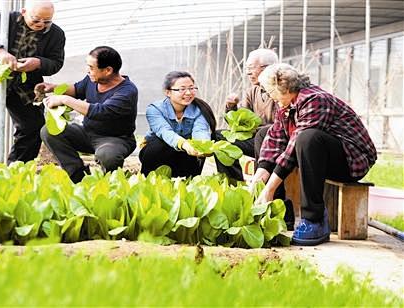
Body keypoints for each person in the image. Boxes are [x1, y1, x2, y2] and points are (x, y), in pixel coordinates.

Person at [254, 63, 377, 246]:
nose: (270, 97)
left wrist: (269, 187)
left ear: (284, 88)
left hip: (352, 160)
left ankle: (314, 219)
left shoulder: (315, 100)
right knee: (264, 133)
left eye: (270, 92)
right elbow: (275, 138)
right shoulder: (287, 103)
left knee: (307, 138)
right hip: (322, 156)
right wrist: (258, 178)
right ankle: (276, 210)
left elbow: (294, 146)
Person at [0, 0, 65, 163]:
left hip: (23, 84)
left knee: (33, 126)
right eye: (36, 20)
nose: (41, 24)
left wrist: (38, 63)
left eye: (47, 21)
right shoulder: (3, 20)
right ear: (23, 12)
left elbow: (56, 62)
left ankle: (17, 167)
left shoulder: (56, 34)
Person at [214, 48, 295, 230]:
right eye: (247, 68)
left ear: (268, 68)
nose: (248, 72)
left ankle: (275, 203)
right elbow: (240, 123)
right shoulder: (253, 91)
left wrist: (260, 130)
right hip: (259, 140)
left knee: (264, 134)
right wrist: (230, 107)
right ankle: (234, 186)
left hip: (283, 143)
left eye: (252, 68)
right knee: (220, 138)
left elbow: (282, 126)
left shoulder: (282, 89)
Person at [38, 46, 138, 183]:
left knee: (107, 156)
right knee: (50, 132)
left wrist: (64, 99)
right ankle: (79, 177)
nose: (88, 70)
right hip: (87, 133)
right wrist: (53, 87)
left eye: (91, 67)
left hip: (115, 139)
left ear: (108, 70)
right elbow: (77, 89)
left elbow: (100, 112)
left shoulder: (127, 92)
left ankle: (110, 185)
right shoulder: (92, 79)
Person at [139, 71, 216, 178]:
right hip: (158, 154)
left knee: (196, 150)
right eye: (182, 89)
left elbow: (200, 130)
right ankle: (149, 178)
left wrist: (203, 147)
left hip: (185, 155)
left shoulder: (200, 110)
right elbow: (164, 131)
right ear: (168, 92)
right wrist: (184, 144)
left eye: (191, 88)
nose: (188, 93)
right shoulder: (155, 109)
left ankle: (188, 179)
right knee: (158, 143)